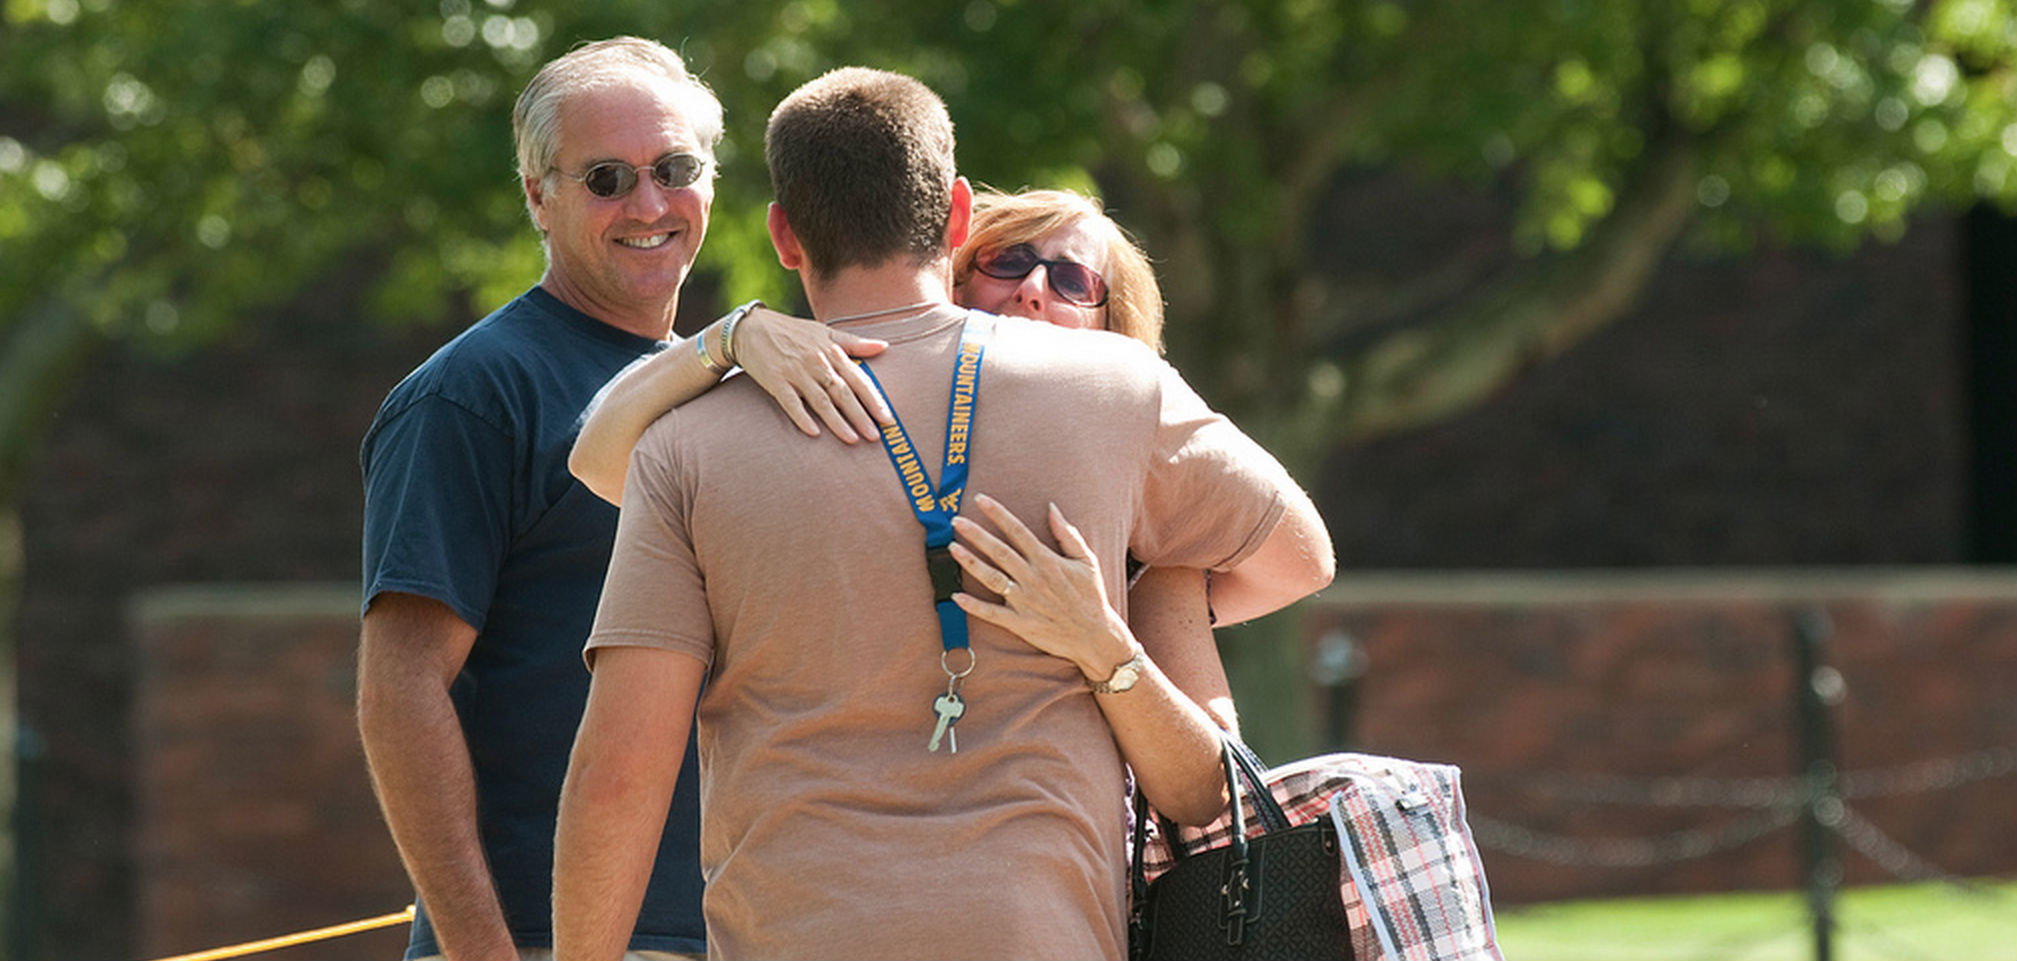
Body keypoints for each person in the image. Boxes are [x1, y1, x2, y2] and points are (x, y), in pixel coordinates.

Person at [552, 67, 1332, 960]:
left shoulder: (686, 445)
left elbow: (619, 776)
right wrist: (1132, 587)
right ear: (959, 219)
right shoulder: (1119, 390)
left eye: (1070, 277)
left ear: (782, 235)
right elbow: (1300, 556)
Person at [357, 38, 888, 961]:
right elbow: (400, 690)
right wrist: (483, 949)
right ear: (538, 194)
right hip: (550, 936)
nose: (648, 205)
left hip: (745, 928)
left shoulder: (726, 392)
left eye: (674, 168)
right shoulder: (473, 396)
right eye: (605, 177)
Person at [568, 185, 1331, 807]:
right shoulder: (833, 389)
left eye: (1073, 282)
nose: (1033, 289)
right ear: (955, 273)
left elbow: (1217, 777)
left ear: (1112, 335)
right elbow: (599, 461)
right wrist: (731, 336)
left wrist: (1099, 629)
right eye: (1010, 260)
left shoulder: (1153, 551)